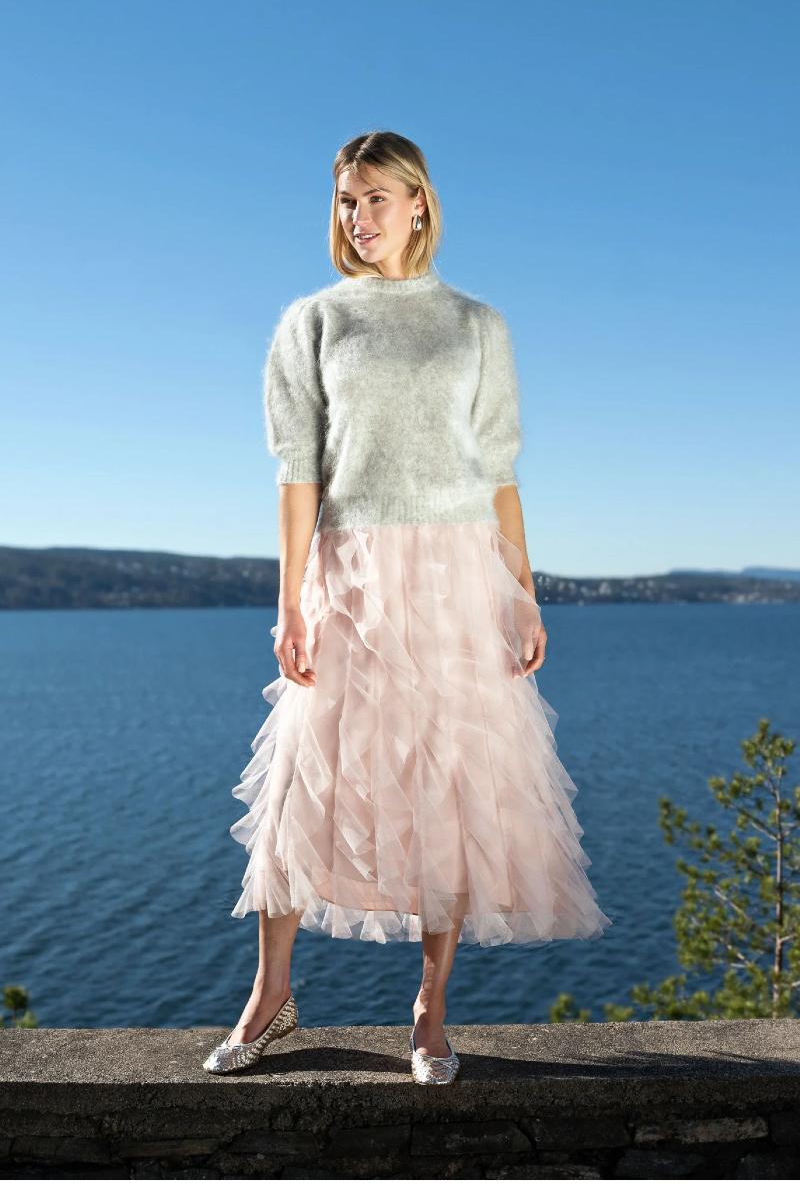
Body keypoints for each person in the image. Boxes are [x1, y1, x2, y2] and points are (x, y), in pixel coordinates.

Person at [202, 130, 612, 1085]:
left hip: (459, 576)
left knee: (449, 783)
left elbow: (500, 476)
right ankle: (271, 995)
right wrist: (291, 603)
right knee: (306, 774)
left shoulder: (477, 325)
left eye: (377, 197)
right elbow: (298, 474)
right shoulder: (313, 321)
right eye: (347, 200)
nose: (360, 217)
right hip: (349, 574)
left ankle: (430, 1010)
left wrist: (524, 594)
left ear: (419, 202)